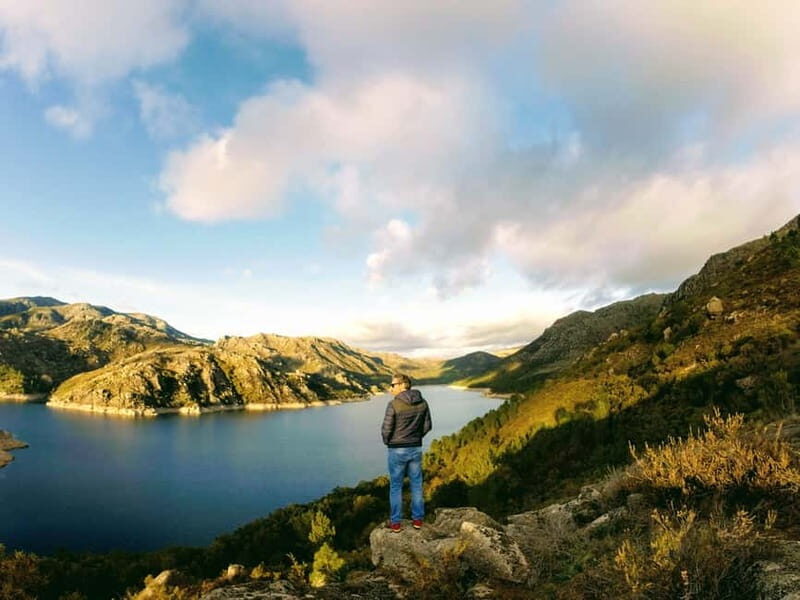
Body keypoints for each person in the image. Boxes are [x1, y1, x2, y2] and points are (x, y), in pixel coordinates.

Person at [381, 373, 432, 532]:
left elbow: (386, 429)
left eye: (393, 385)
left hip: (397, 450)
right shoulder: (423, 403)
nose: (391, 388)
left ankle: (396, 523)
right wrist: (416, 438)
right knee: (416, 485)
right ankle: (418, 520)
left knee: (396, 486)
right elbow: (427, 426)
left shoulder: (394, 404)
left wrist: (388, 442)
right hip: (415, 449)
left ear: (403, 385)